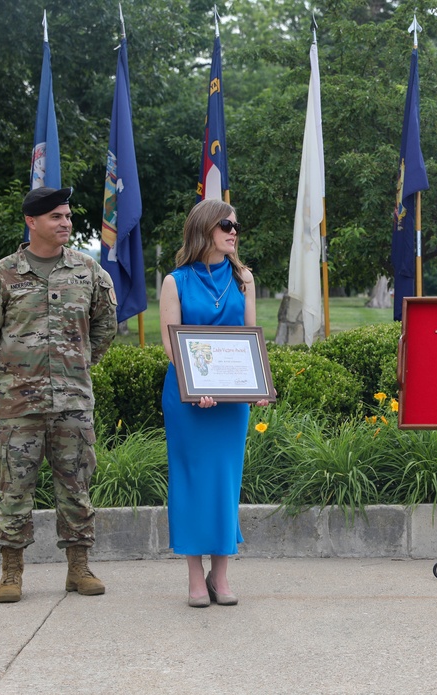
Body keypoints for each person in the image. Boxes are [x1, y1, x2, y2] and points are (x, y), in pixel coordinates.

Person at [0, 186, 118, 603]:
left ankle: (79, 569)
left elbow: (105, 328)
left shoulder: (88, 272)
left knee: (77, 486)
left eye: (67, 216)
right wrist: (12, 371)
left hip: (73, 403)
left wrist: (78, 365)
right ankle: (11, 573)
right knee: (13, 487)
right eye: (57, 217)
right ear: (32, 222)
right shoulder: (2, 275)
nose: (66, 223)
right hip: (19, 405)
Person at [160, 198, 269, 608]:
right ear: (205, 228)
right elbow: (171, 341)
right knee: (191, 480)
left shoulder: (244, 279)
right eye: (226, 224)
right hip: (189, 399)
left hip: (231, 402)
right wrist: (194, 383)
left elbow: (251, 335)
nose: (233, 231)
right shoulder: (177, 281)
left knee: (225, 481)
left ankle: (220, 574)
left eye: (236, 225)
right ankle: (193, 575)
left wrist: (257, 384)